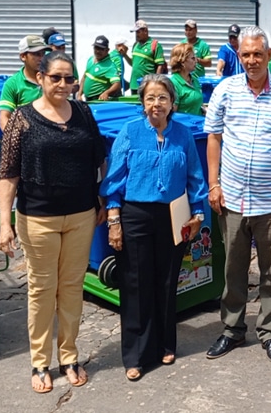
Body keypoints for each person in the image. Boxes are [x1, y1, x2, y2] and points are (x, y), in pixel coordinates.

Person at [0, 51, 107, 393]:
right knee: (42, 291)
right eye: (55, 77)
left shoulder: (84, 113)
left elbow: (99, 158)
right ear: (40, 78)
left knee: (72, 288)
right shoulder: (22, 118)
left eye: (68, 78)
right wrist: (4, 222)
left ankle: (69, 356)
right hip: (38, 218)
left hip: (81, 215)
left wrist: (101, 196)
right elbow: (8, 173)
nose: (63, 84)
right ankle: (40, 362)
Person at [204, 26, 271, 363]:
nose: (251, 60)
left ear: (268, 56)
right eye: (246, 55)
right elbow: (214, 139)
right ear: (240, 56)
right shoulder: (225, 90)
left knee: (270, 269)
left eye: (257, 54)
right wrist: (213, 184)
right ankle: (233, 329)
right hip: (232, 197)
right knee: (233, 268)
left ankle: (269, 331)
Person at [101, 74, 208, 381]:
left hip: (173, 216)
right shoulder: (130, 132)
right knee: (136, 284)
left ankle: (164, 344)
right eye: (150, 98)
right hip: (135, 214)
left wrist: (197, 213)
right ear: (142, 102)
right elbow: (114, 181)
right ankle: (135, 355)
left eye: (162, 98)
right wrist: (114, 221)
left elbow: (195, 176)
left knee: (166, 282)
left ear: (172, 103)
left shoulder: (183, 134)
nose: (156, 104)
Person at [0, 36, 46, 131]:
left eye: (43, 54)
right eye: (36, 54)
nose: (41, 58)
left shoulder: (52, 79)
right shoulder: (12, 84)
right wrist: (13, 138)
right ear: (23, 56)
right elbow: (4, 117)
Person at [122, 20, 166, 94]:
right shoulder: (135, 45)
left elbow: (160, 66)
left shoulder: (155, 45)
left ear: (145, 31)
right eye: (136, 32)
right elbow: (133, 63)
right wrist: (125, 55)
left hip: (147, 85)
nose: (136, 35)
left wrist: (156, 83)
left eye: (138, 32)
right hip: (134, 85)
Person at [77, 35, 121, 101]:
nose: (98, 51)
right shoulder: (91, 59)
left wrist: (106, 93)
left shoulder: (109, 66)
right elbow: (85, 77)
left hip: (98, 100)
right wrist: (79, 94)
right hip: (88, 99)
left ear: (107, 50)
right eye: (96, 48)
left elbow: (117, 84)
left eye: (101, 49)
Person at [169, 43, 204, 115]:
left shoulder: (194, 80)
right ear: (182, 61)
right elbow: (172, 114)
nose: (196, 61)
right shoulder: (173, 84)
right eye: (193, 58)